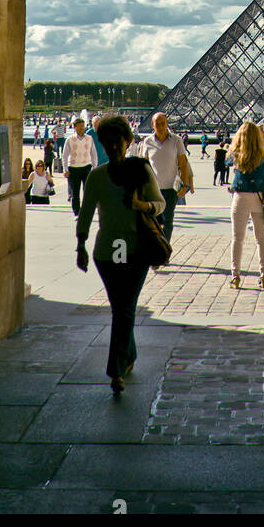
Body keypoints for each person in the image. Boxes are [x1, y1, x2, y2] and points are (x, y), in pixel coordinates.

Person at [76, 115, 165, 396]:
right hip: (109, 253)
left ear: (127, 142)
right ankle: (128, 356)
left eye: (118, 142)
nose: (113, 147)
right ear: (102, 143)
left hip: (136, 249)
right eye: (108, 143)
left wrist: (141, 205)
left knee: (123, 308)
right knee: (122, 308)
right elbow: (85, 214)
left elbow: (160, 204)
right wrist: (80, 245)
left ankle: (116, 370)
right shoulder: (96, 176)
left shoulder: (141, 170)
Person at [227, 121, 264, 289]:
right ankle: (263, 275)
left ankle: (236, 276)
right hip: (259, 196)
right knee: (261, 238)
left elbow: (228, 163)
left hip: (241, 196)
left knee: (237, 238)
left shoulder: (237, 151)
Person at [130, 112, 193, 241]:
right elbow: (144, 166)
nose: (160, 126)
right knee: (154, 221)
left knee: (168, 221)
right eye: (157, 124)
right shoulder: (147, 141)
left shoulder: (177, 140)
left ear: (167, 124)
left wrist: (185, 184)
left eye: (162, 123)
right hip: (153, 189)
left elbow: (183, 163)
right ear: (152, 125)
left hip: (171, 189)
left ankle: (164, 250)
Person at [64, 116, 96, 218]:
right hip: (73, 168)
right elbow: (64, 155)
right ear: (75, 127)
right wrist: (65, 169)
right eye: (79, 126)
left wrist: (94, 168)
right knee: (75, 192)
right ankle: (77, 213)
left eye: (83, 126)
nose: (82, 128)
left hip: (86, 167)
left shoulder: (89, 139)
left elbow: (94, 154)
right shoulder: (70, 139)